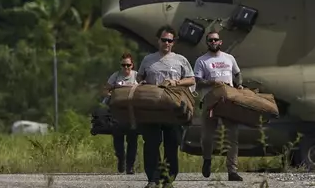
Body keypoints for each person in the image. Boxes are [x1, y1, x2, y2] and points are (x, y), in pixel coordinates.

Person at [136, 25, 195, 188]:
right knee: (151, 143)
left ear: (173, 42)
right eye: (164, 40)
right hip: (152, 107)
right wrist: (141, 82)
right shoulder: (148, 59)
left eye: (170, 40)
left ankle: (168, 179)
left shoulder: (180, 60)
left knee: (171, 144)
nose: (166, 43)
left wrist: (176, 82)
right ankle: (153, 179)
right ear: (158, 40)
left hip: (173, 108)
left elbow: (191, 79)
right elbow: (140, 77)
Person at [193, 31, 244, 182]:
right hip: (210, 101)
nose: (213, 42)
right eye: (210, 40)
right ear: (207, 42)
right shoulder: (202, 61)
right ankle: (207, 159)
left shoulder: (229, 58)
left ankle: (232, 171)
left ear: (220, 42)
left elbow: (238, 73)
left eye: (216, 40)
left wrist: (239, 84)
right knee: (207, 137)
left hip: (228, 100)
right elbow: (198, 81)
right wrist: (212, 82)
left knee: (232, 136)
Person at [103, 52, 139, 174]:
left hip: (132, 112)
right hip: (118, 112)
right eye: (123, 65)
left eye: (128, 65)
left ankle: (130, 165)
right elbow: (106, 89)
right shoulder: (116, 76)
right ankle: (121, 159)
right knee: (118, 138)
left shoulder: (136, 76)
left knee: (132, 139)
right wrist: (111, 95)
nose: (126, 68)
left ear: (132, 65)